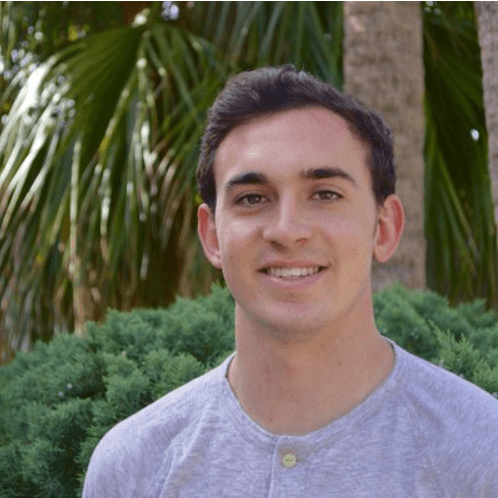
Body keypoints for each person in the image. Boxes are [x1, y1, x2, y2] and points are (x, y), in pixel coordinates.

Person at [83, 65, 498, 497]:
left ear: (385, 227)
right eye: (252, 198)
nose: (287, 230)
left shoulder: (481, 453)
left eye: (325, 194)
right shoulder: (133, 466)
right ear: (212, 237)